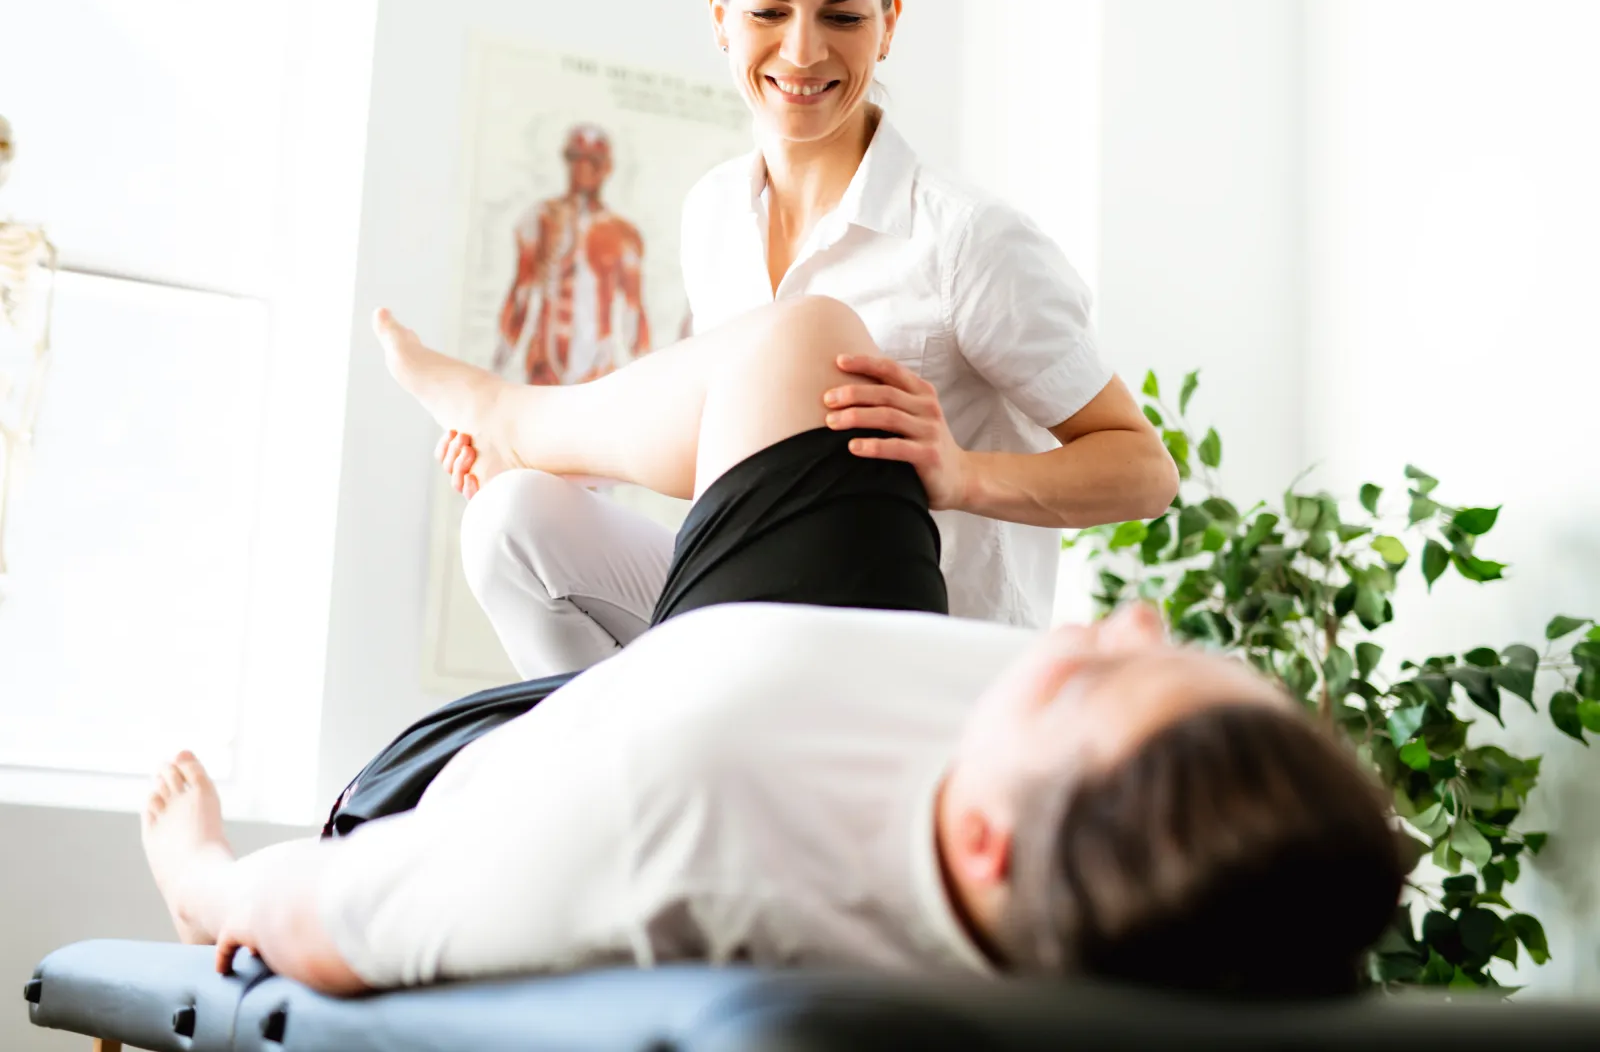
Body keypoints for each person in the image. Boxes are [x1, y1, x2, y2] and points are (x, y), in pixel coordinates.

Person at [138, 299, 1402, 1000]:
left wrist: (203, 877)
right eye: (1172, 648)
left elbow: (321, 918)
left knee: (532, 510)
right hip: (798, 644)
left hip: (546, 753)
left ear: (982, 841)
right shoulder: (1130, 832)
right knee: (815, 350)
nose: (1121, 624)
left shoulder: (670, 819)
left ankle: (508, 420)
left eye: (1096, 669)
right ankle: (512, 423)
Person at [441, 0, 1180, 680]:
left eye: (842, 15)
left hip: (924, 661)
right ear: (720, 16)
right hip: (765, 613)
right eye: (768, 11)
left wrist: (964, 474)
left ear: (888, 23)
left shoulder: (968, 241)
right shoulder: (713, 214)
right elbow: (732, 460)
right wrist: (543, 456)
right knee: (510, 520)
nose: (802, 50)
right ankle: (617, 758)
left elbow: (1144, 472)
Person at [492, 124, 650, 387]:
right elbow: (520, 293)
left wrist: (649, 379)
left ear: (607, 167)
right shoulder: (540, 219)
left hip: (598, 372)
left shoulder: (623, 234)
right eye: (576, 159)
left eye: (594, 161)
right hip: (544, 366)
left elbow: (634, 311)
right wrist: (496, 368)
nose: (584, 169)